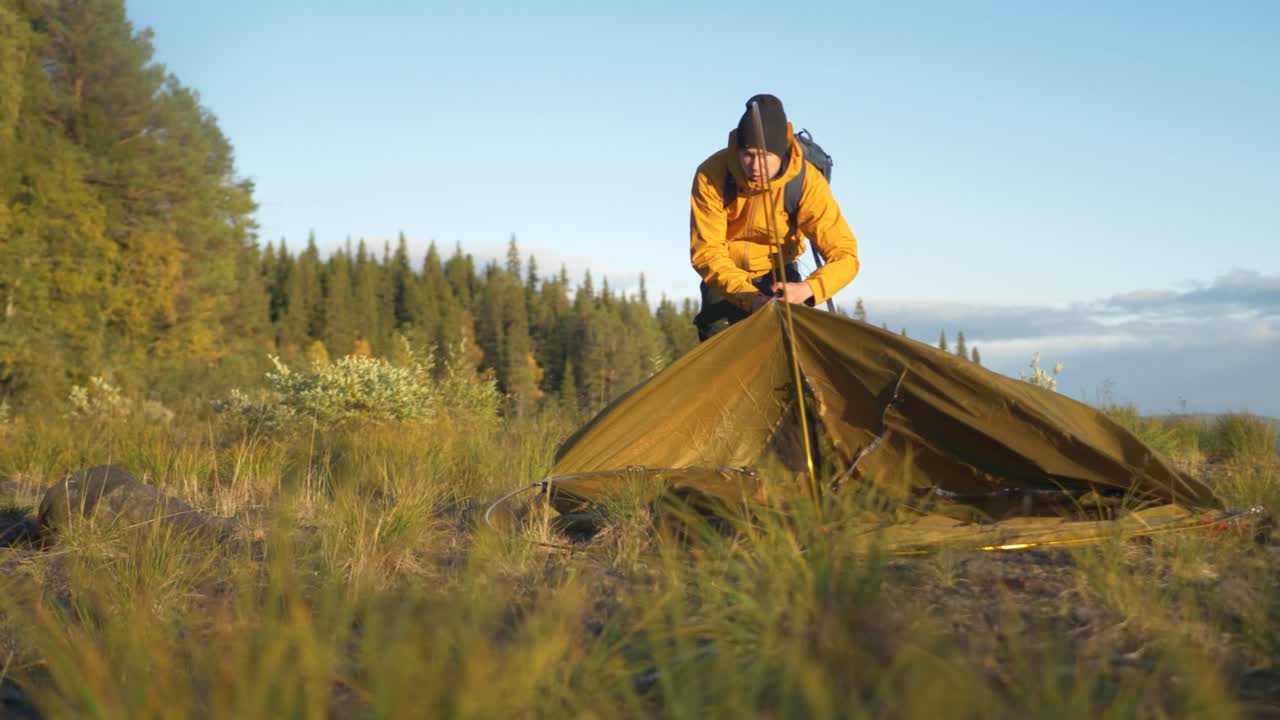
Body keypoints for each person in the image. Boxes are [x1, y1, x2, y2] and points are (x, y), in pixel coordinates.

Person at [689, 94, 860, 341]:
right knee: (721, 367)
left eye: (766, 155)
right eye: (748, 154)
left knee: (793, 367)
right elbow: (707, 253)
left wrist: (807, 290)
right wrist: (750, 298)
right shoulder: (712, 175)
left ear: (781, 152)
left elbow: (845, 255)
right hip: (726, 282)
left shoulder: (806, 182)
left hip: (782, 280)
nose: (755, 165)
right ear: (738, 149)